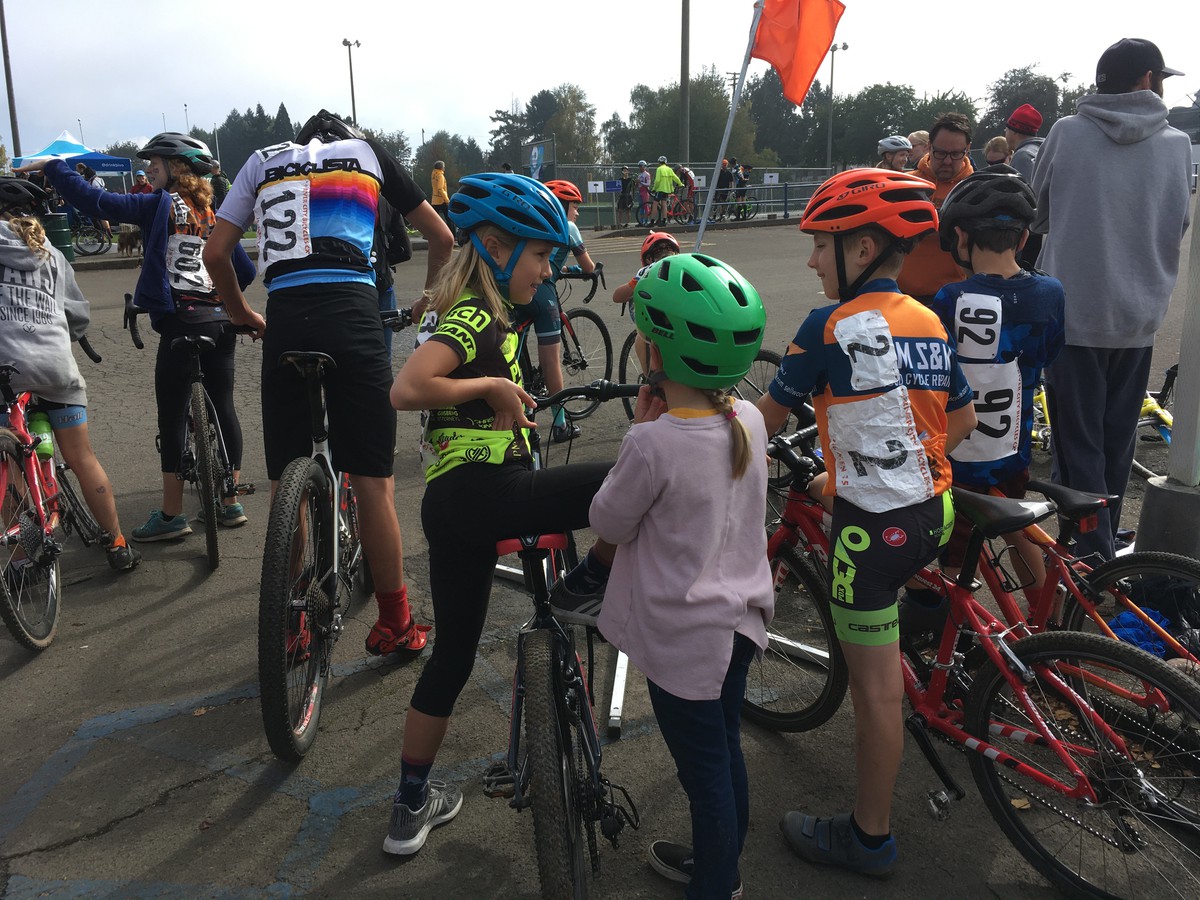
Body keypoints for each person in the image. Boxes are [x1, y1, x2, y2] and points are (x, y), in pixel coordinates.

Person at [384, 172, 618, 856]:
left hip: (453, 504)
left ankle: (408, 803)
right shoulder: (476, 315)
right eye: (540, 257)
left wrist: (498, 392)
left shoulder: (470, 306)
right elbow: (408, 388)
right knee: (637, 476)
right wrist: (491, 383)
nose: (548, 273)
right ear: (493, 245)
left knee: (453, 653)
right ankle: (593, 584)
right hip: (486, 493)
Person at [758, 168, 976, 877]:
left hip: (871, 535)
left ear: (865, 246)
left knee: (876, 690)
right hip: (934, 512)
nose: (813, 259)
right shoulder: (929, 319)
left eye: (823, 244)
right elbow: (959, 421)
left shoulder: (826, 326)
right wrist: (852, 470)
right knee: (902, 592)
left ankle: (869, 837)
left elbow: (759, 427)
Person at [203, 110, 450, 656]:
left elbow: (216, 254)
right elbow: (441, 237)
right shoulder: (369, 155)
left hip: (287, 319)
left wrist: (242, 313)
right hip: (354, 318)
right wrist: (425, 306)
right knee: (372, 483)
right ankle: (396, 623)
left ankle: (291, 628)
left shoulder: (260, 162)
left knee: (284, 476)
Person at [584, 253, 772, 899]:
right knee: (724, 752)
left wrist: (639, 428)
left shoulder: (654, 443)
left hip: (687, 643)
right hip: (741, 625)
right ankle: (726, 864)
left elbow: (608, 517)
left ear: (655, 351)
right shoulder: (747, 421)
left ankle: (717, 884)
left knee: (706, 776)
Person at [27, 133, 256, 543]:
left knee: (172, 412)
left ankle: (172, 515)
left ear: (177, 168)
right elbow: (245, 271)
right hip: (219, 321)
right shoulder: (212, 214)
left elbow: (97, 202)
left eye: (155, 162)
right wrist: (218, 296)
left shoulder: (157, 204)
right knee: (223, 405)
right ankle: (229, 501)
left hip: (180, 323)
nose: (148, 167)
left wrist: (54, 167)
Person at [1031, 38, 1191, 559]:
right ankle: (1096, 542)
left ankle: (1087, 552)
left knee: (1078, 443)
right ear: (1147, 79)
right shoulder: (1175, 144)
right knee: (1118, 440)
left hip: (1074, 313)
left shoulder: (1067, 132)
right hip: (1139, 314)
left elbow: (1038, 211)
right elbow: (1180, 220)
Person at [904, 167, 1064, 629]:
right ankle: (1047, 628)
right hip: (1013, 447)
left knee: (955, 551)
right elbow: (1050, 353)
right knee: (1019, 532)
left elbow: (932, 369)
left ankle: (957, 637)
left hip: (957, 453)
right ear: (1024, 236)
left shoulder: (951, 297)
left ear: (958, 235)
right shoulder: (1050, 292)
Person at [0, 177, 140, 572]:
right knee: (81, 457)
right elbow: (77, 315)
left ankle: (24, 557)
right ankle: (117, 544)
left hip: (5, 371)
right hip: (55, 368)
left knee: (9, 466)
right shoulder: (53, 256)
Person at [513, 179, 597, 444]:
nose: (577, 211)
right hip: (543, 294)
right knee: (551, 362)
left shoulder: (532, 223)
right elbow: (588, 266)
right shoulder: (568, 227)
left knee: (512, 355)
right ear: (562, 204)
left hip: (518, 289)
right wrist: (588, 272)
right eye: (575, 205)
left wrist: (564, 270)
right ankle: (560, 425)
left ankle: (521, 411)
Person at [898, 112, 975, 301]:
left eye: (956, 154)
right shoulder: (906, 184)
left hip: (952, 297)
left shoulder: (974, 188)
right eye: (940, 153)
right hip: (902, 295)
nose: (947, 161)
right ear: (929, 147)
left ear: (968, 149)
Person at [612, 231, 679, 308]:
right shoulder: (648, 272)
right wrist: (637, 282)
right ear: (648, 259)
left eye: (669, 250)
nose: (665, 253)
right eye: (658, 252)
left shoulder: (682, 268)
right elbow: (617, 297)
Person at [1004, 103, 1044, 181]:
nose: (1005, 135)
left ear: (1014, 131)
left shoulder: (1022, 157)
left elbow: (1026, 192)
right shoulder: (1043, 148)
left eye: (1006, 130)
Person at [75, 163, 112, 238]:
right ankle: (108, 232)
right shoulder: (98, 178)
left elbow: (92, 190)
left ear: (81, 169)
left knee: (96, 218)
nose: (78, 171)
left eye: (78, 169)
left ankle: (101, 234)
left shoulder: (90, 179)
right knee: (103, 217)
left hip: (96, 200)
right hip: (103, 198)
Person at [652, 155, 682, 226]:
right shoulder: (669, 169)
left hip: (660, 189)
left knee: (655, 204)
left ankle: (652, 221)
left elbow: (657, 180)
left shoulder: (659, 169)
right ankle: (664, 221)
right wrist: (680, 184)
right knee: (664, 204)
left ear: (659, 162)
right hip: (667, 190)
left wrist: (654, 188)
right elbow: (675, 178)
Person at [430, 160, 450, 229]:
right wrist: (447, 200)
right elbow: (440, 189)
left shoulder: (433, 175)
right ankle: (453, 235)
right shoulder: (440, 176)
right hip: (442, 200)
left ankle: (428, 233)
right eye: (444, 166)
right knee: (449, 218)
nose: (444, 168)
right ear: (441, 167)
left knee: (432, 219)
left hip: (434, 200)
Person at [616, 165, 635, 229]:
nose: (624, 172)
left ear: (628, 171)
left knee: (628, 210)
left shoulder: (630, 180)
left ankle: (628, 223)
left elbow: (633, 188)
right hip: (622, 196)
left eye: (626, 170)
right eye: (623, 170)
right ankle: (619, 223)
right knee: (620, 210)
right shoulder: (620, 180)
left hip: (628, 196)